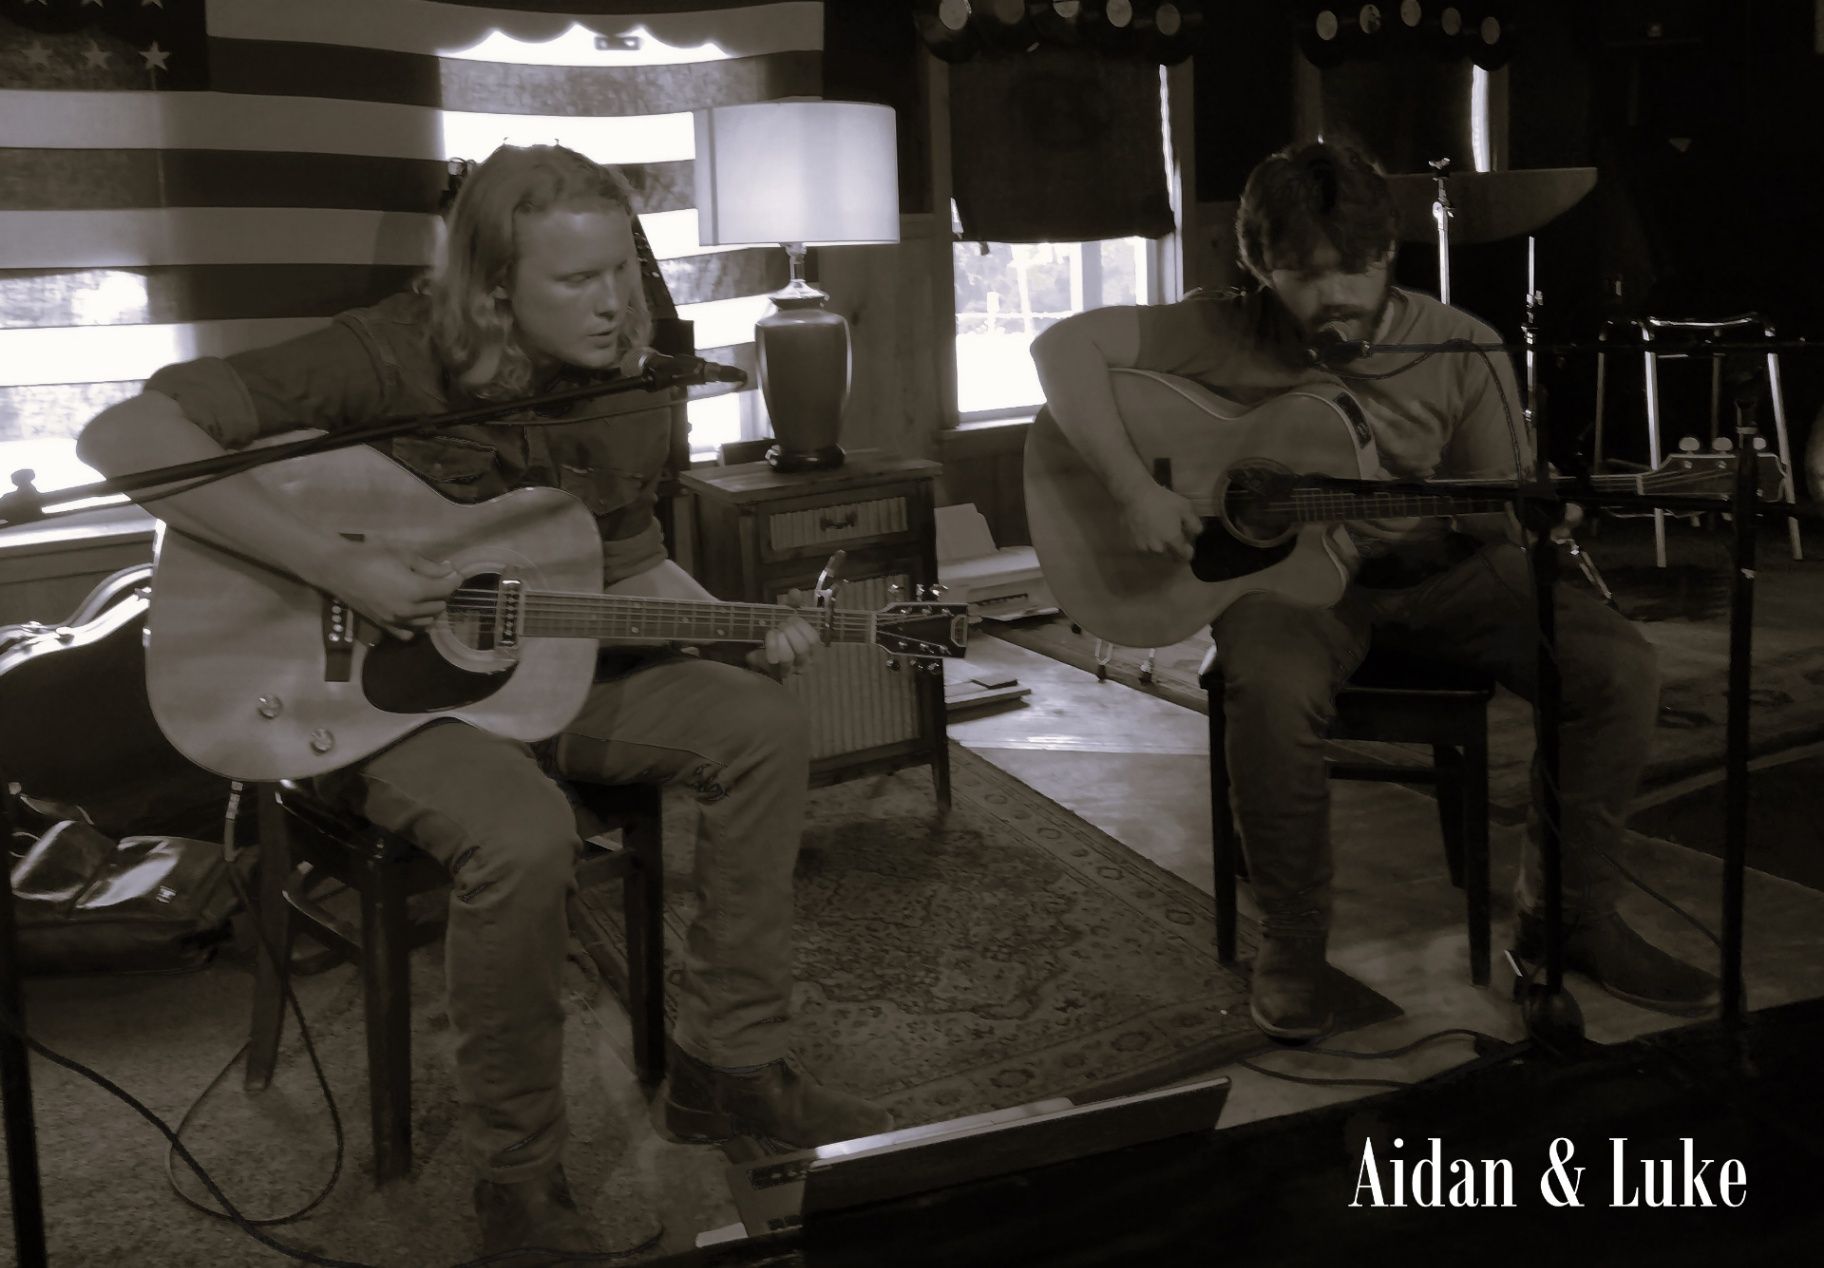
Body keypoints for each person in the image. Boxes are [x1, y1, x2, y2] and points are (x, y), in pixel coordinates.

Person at [79, 143, 893, 1259]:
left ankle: (730, 1066)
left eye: (622, 270)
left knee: (759, 724)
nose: (614, 304)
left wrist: (746, 630)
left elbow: (631, 568)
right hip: (369, 695)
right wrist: (341, 564)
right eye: (577, 280)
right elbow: (123, 434)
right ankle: (519, 1178)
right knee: (522, 830)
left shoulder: (631, 387)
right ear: (494, 288)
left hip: (547, 667)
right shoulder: (386, 353)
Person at [1030, 139, 1719, 1041]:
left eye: (1355, 267)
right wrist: (1134, 489)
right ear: (1259, 266)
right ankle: (1293, 942)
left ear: (1388, 251)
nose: (1336, 294)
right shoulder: (1221, 327)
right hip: (1295, 595)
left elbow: (1501, 513)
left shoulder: (1460, 345)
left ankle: (1570, 917)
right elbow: (1060, 347)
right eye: (1305, 275)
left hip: (1445, 576)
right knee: (1268, 686)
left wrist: (1539, 519)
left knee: (1616, 667)